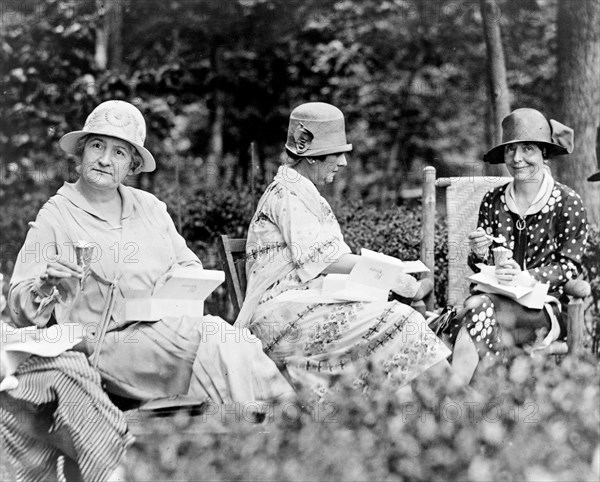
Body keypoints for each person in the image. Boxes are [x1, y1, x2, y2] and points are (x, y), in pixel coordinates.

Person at [3, 100, 292, 481]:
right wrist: (47, 285)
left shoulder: (150, 208)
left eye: (119, 152)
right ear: (81, 151)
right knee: (216, 345)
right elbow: (20, 304)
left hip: (165, 329)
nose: (106, 159)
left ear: (132, 166)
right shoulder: (57, 215)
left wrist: (173, 290)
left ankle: (278, 432)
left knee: (230, 339)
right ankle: (276, 442)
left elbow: (187, 264)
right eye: (97, 146)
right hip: (106, 347)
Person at [235, 102, 452, 398]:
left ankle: (440, 407)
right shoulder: (287, 194)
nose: (343, 163)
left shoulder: (304, 192)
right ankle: (462, 403)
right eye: (336, 154)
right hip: (279, 317)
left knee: (396, 320)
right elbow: (327, 259)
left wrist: (389, 274)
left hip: (307, 305)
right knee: (404, 319)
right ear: (311, 157)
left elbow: (329, 261)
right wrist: (393, 274)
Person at [448, 108, 589, 382]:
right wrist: (479, 253)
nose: (517, 158)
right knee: (481, 309)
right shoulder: (493, 200)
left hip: (545, 309)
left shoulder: (567, 202)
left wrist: (527, 277)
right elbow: (483, 266)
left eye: (528, 149)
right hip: (494, 302)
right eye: (511, 150)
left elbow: (570, 267)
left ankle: (454, 396)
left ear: (544, 153)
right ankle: (478, 400)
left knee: (475, 310)